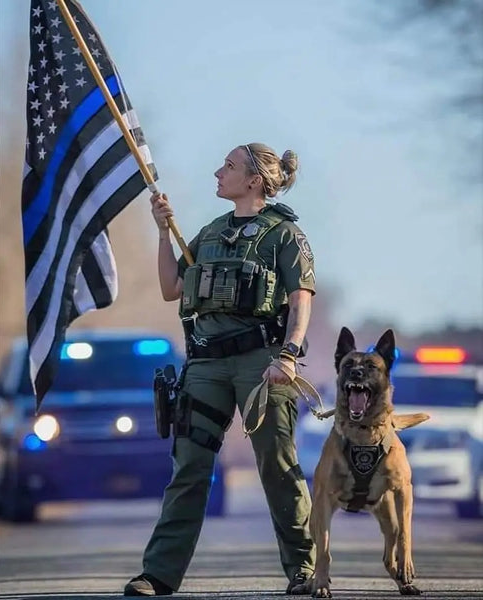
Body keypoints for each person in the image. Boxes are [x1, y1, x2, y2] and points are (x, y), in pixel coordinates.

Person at [125, 143, 317, 597]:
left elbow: (301, 297)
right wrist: (159, 232)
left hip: (262, 363)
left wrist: (289, 354)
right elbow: (172, 288)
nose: (217, 172)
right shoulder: (210, 232)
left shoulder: (283, 234)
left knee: (277, 463)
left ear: (254, 180)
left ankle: (306, 568)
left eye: (228, 166)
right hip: (206, 364)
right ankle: (158, 574)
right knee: (189, 468)